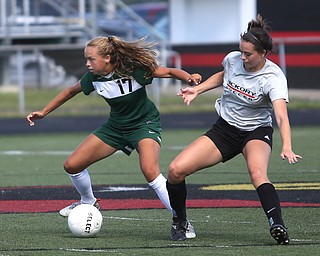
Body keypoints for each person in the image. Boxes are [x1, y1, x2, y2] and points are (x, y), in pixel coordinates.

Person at [26, 36, 201, 238]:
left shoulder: (133, 69)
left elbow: (169, 71)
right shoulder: (93, 77)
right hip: (116, 127)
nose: (87, 64)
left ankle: (182, 222)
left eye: (91, 59)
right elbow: (69, 92)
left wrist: (188, 77)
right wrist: (43, 112)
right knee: (72, 165)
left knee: (150, 170)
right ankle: (88, 201)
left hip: (144, 124)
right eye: (86, 59)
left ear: (107, 58)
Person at [166, 14, 302, 244]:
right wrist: (197, 90)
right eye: (241, 51)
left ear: (263, 54)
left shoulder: (273, 77)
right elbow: (224, 75)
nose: (243, 57)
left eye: (248, 54)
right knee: (175, 170)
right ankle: (180, 222)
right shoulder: (233, 60)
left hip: (255, 132)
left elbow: (280, 114)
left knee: (258, 173)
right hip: (225, 130)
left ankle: (277, 224)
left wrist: (287, 146)